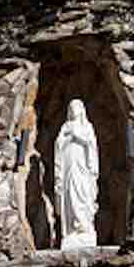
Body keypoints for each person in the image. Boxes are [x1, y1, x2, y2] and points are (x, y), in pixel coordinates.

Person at [53, 98, 99, 249]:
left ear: (81, 110)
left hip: (83, 167)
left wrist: (77, 135)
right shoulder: (65, 126)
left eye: (76, 107)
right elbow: (58, 145)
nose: (73, 110)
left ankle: (84, 226)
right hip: (69, 167)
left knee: (83, 194)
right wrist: (66, 138)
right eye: (71, 107)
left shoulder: (87, 126)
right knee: (70, 194)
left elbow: (91, 144)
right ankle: (72, 228)